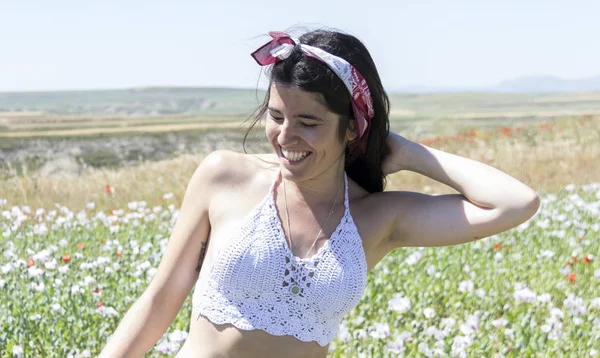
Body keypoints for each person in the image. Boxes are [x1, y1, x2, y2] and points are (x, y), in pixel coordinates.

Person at [99, 29, 540, 358]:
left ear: (352, 128)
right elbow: (159, 300)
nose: (285, 136)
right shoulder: (224, 176)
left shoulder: (377, 218)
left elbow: (516, 203)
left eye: (308, 122)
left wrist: (405, 151)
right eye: (275, 116)